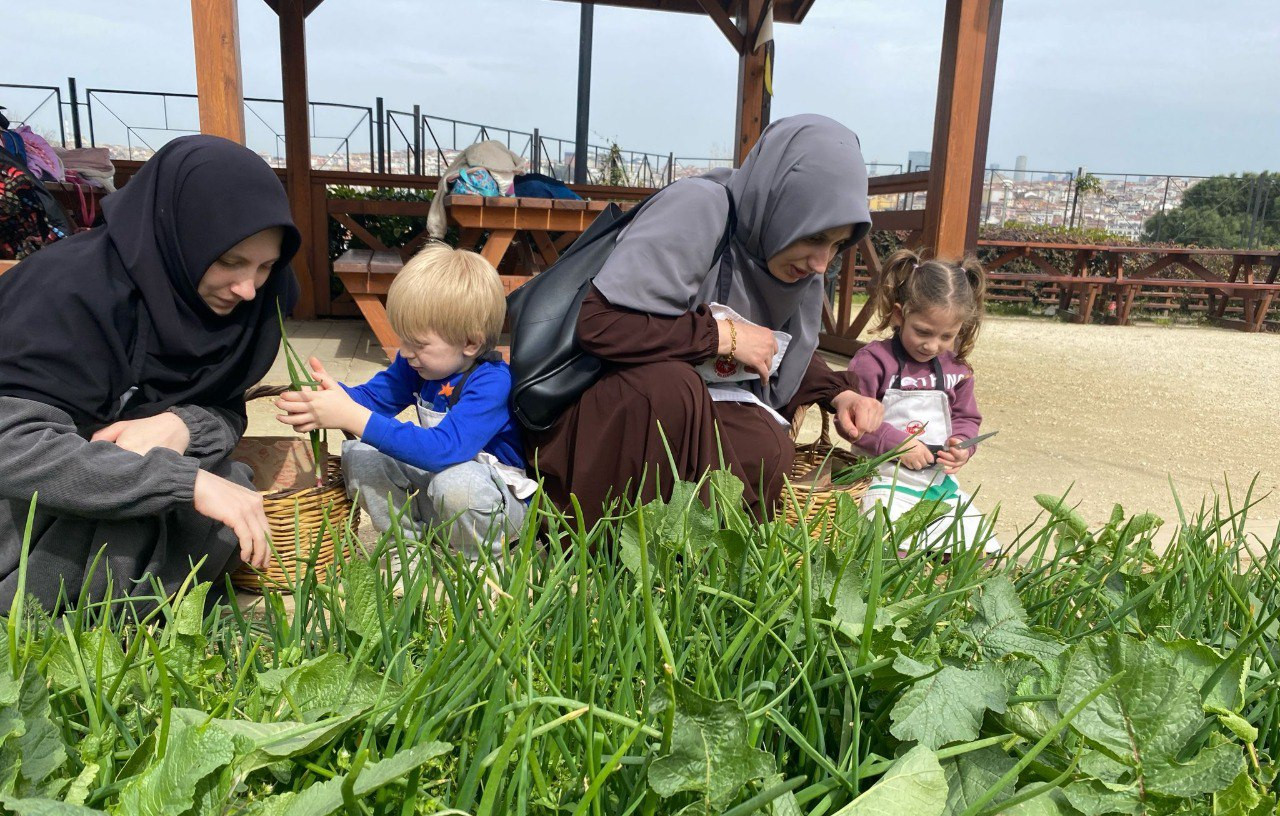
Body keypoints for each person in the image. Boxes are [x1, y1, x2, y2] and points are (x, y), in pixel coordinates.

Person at [527, 114, 884, 527]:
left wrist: (840, 394)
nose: (822, 263)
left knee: (765, 444)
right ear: (779, 205)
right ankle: (604, 544)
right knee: (670, 390)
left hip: (684, 408)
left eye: (837, 245)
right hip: (600, 417)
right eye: (815, 236)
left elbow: (776, 348)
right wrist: (721, 336)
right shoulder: (698, 207)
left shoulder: (791, 263)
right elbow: (601, 323)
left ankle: (699, 554)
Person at [0, 135, 300, 609]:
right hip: (28, 509)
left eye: (266, 266)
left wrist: (184, 424)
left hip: (117, 490)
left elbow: (227, 407)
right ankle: (59, 622)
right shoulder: (67, 292)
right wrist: (180, 481)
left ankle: (139, 616)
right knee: (184, 499)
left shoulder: (251, 307)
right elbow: (12, 448)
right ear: (177, 236)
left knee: (230, 484)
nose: (248, 289)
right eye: (230, 262)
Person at [274, 244, 533, 560]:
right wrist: (331, 397)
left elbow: (444, 450)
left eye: (418, 343)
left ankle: (481, 562)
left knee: (456, 482)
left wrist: (353, 417)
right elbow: (371, 399)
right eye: (403, 338)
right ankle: (406, 550)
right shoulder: (418, 366)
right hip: (442, 497)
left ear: (470, 342)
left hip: (495, 509)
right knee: (361, 455)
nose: (405, 351)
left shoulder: (492, 382)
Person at [847, 248, 999, 553]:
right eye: (923, 332)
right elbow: (853, 422)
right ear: (899, 314)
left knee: (980, 551)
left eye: (946, 336)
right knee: (891, 547)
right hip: (882, 479)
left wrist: (963, 446)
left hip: (936, 484)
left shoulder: (957, 369)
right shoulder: (874, 362)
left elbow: (967, 418)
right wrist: (898, 445)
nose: (932, 346)